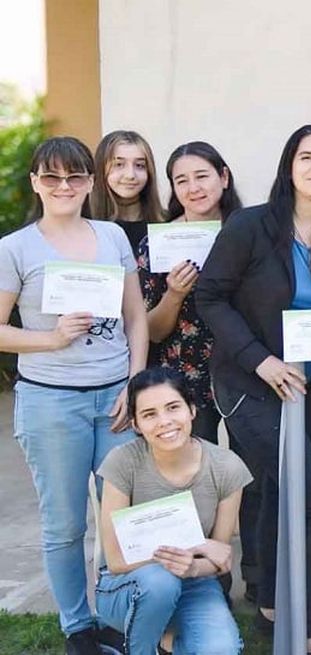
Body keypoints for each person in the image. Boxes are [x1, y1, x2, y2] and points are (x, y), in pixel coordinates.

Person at [197, 124, 311, 654]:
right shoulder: (249, 227)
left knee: (275, 490)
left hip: (310, 388)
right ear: (288, 166)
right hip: (248, 383)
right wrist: (260, 360)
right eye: (306, 156)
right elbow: (211, 299)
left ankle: (270, 603)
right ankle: (308, 628)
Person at [0, 136, 149, 655]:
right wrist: (51, 337)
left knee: (118, 517)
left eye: (76, 177)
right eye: (52, 177)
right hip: (50, 401)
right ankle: (77, 626)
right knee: (64, 522)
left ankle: (112, 617)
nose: (64, 187)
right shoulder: (16, 248)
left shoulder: (110, 237)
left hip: (113, 399)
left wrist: (136, 383)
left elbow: (136, 318)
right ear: (36, 183)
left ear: (90, 182)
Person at [137, 140, 260, 604]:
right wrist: (172, 294)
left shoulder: (250, 232)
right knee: (192, 481)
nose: (193, 187)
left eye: (202, 175)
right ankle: (205, 585)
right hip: (181, 377)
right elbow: (148, 328)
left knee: (250, 478)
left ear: (224, 177)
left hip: (246, 370)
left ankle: (260, 581)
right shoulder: (159, 241)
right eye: (181, 180)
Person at [95, 367, 251, 655]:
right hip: (128, 585)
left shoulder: (226, 466)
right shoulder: (122, 462)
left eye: (173, 407)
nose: (164, 421)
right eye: (149, 414)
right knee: (160, 582)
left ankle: (162, 641)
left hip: (194, 582)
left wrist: (193, 565)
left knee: (220, 650)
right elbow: (116, 560)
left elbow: (218, 560)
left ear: (191, 410)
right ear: (137, 424)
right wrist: (197, 546)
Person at [92, 129, 166, 251]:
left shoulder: (167, 224)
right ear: (101, 169)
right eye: (119, 164)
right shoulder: (84, 225)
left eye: (139, 165)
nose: (130, 175)